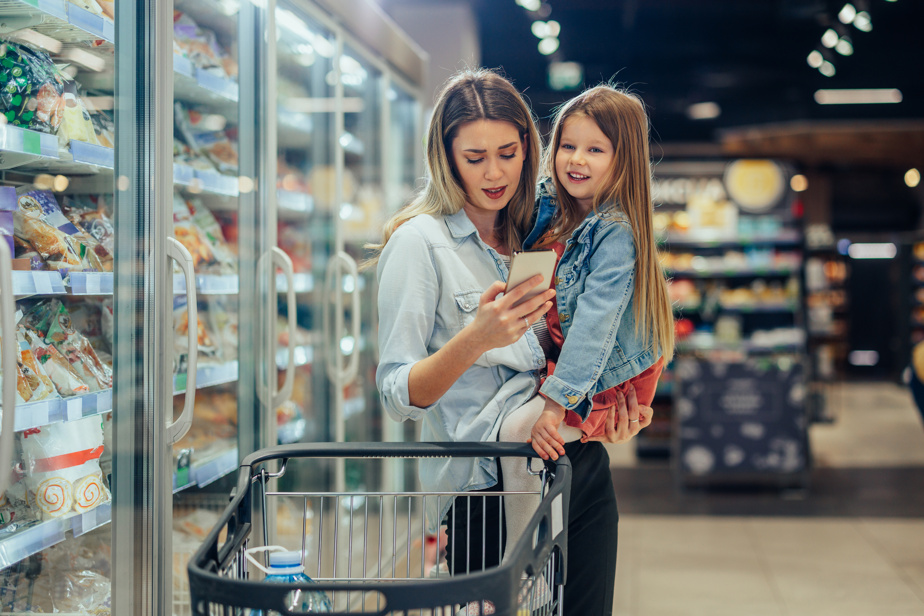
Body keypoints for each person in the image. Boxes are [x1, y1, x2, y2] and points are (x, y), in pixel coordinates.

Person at [373, 70, 649, 616]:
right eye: (474, 158)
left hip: (578, 464)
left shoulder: (542, 229)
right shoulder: (419, 243)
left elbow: (588, 333)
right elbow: (396, 392)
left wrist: (611, 410)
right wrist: (477, 337)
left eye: (508, 152)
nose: (495, 172)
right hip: (486, 487)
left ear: (529, 146)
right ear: (445, 156)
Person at [498, 84, 674, 614]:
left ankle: (517, 568)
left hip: (607, 377)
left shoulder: (614, 231)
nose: (576, 160)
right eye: (567, 145)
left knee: (519, 430)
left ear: (623, 160)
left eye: (596, 149)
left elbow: (594, 327)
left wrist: (556, 405)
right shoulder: (553, 209)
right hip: (573, 369)